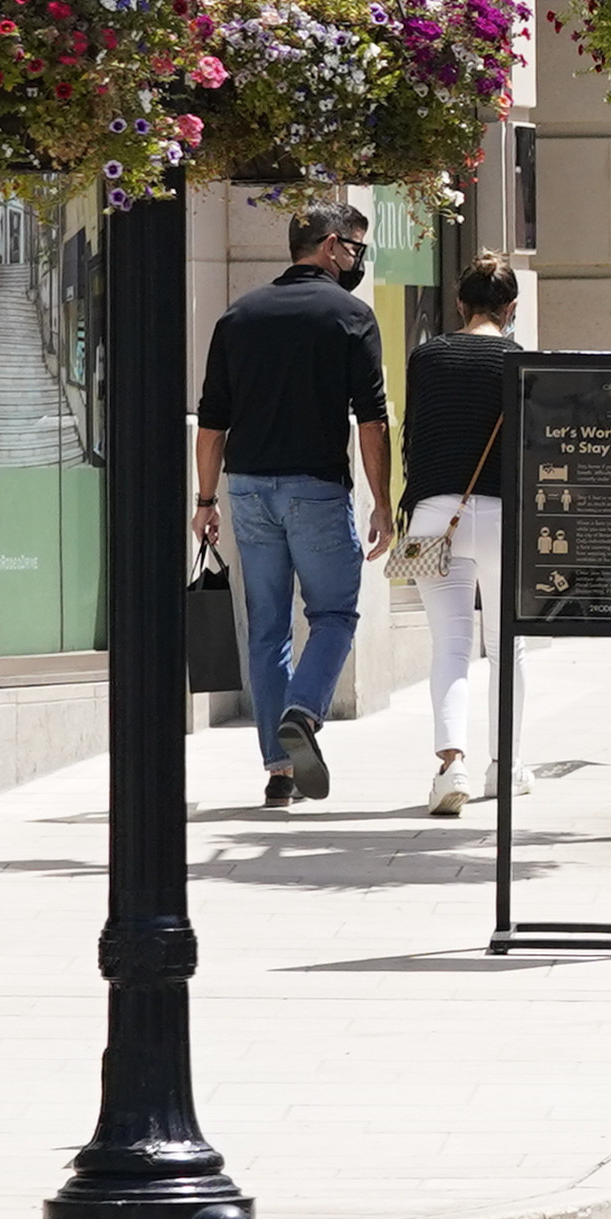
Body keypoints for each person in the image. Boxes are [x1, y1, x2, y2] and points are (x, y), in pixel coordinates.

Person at [193, 204, 396, 809]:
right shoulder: (352, 316)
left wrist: (205, 500)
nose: (358, 260)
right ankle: (302, 715)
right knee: (334, 614)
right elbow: (373, 424)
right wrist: (382, 503)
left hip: (248, 487)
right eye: (357, 249)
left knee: (268, 628)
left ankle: (278, 772)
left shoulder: (239, 316)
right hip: (316, 488)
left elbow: (211, 424)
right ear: (331, 246)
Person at [403, 255, 528, 817]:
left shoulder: (426, 357)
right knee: (507, 643)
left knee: (450, 646)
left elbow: (416, 436)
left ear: (460, 304)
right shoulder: (520, 360)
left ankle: (450, 764)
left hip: (435, 512)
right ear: (511, 309)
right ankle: (505, 765)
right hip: (504, 511)